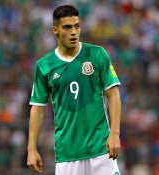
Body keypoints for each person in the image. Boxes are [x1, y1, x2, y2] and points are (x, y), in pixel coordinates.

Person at [26, 5, 122, 175]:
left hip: (101, 149)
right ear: (55, 30)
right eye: (67, 27)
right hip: (67, 153)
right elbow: (38, 108)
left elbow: (113, 94)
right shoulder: (44, 66)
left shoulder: (97, 54)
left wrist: (114, 133)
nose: (73, 32)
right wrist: (31, 148)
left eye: (76, 26)